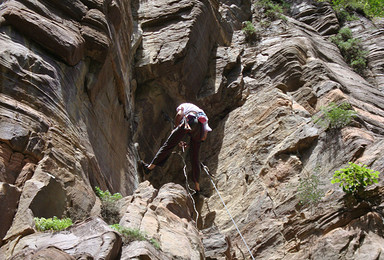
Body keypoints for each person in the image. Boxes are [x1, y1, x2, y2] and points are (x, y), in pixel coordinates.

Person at [142, 103, 212, 192]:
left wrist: (176, 128)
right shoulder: (202, 114)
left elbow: (179, 115)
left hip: (191, 120)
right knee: (195, 158)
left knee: (169, 145)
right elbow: (203, 137)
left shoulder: (183, 106)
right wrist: (191, 144)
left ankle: (149, 168)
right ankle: (197, 186)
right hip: (200, 130)